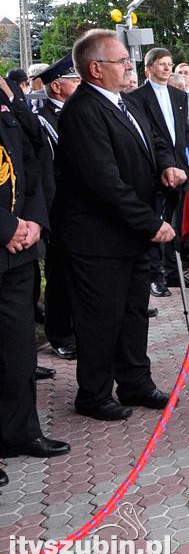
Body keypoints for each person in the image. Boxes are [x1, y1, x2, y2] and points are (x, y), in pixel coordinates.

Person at [53, 29, 186, 421]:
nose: (130, 66)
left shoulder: (127, 103)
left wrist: (166, 166)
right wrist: (152, 223)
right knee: (101, 319)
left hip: (129, 236)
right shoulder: (83, 112)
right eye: (121, 61)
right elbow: (105, 183)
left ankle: (135, 382)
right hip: (98, 239)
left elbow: (156, 142)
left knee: (133, 313)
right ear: (96, 68)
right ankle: (93, 394)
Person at [1, 75, 71, 470]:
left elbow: (33, 158)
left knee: (18, 348)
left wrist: (33, 220)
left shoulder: (8, 99)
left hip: (20, 245)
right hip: (6, 235)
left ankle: (20, 431)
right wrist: (6, 227)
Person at [126, 48, 189, 298]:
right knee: (157, 223)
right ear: (148, 68)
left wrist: (188, 158)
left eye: (170, 64)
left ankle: (173, 271)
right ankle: (155, 277)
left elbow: (183, 130)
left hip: (179, 168)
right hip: (154, 170)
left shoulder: (179, 95)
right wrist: (164, 165)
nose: (167, 68)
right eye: (162, 64)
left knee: (176, 223)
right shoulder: (137, 97)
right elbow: (148, 136)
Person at [36, 55, 81, 362]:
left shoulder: (76, 113)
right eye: (74, 80)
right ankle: (60, 334)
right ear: (57, 86)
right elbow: (45, 172)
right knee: (60, 277)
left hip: (81, 211)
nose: (79, 84)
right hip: (59, 211)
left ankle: (76, 329)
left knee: (78, 276)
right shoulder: (43, 120)